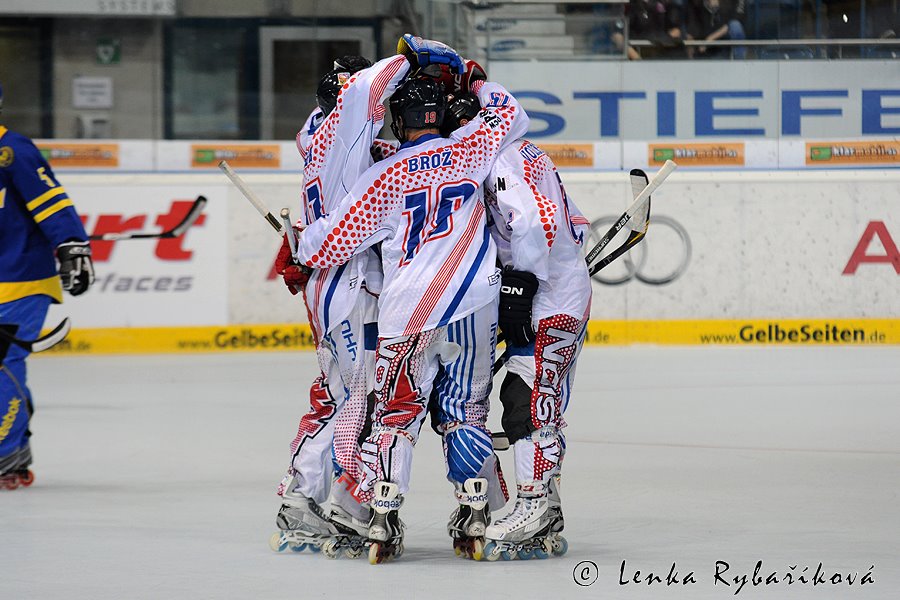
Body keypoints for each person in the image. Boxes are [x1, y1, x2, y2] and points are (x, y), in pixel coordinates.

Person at [294, 34, 530, 563]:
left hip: (408, 310)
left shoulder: (387, 175)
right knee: (466, 408)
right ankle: (475, 509)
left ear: (398, 122)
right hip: (473, 301)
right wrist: (475, 81)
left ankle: (382, 515)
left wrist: (298, 247)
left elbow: (330, 241)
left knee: (396, 411)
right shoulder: (470, 148)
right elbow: (511, 114)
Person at [270, 54, 418, 558]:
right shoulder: (347, 126)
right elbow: (373, 86)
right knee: (364, 396)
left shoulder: (315, 134)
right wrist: (418, 58)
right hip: (352, 285)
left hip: (327, 285)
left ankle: (301, 497)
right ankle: (345, 502)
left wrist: (299, 243)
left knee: (334, 394)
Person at [440, 93, 591, 560]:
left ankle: (534, 505)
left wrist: (521, 282)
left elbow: (534, 220)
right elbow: (575, 222)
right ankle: (544, 504)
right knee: (528, 398)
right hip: (557, 289)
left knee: (529, 401)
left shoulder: (502, 156)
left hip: (551, 298)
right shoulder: (526, 151)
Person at [0, 83, 95, 490]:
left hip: (21, 279)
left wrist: (72, 246)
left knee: (2, 363)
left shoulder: (12, 150)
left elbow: (50, 201)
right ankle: (14, 446)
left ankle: (6, 455)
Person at [613, 0, 686, 59]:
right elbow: (617, 36)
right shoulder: (629, 6)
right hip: (639, 54)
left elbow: (676, 30)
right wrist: (636, 58)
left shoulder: (665, 5)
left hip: (662, 54)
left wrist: (667, 39)